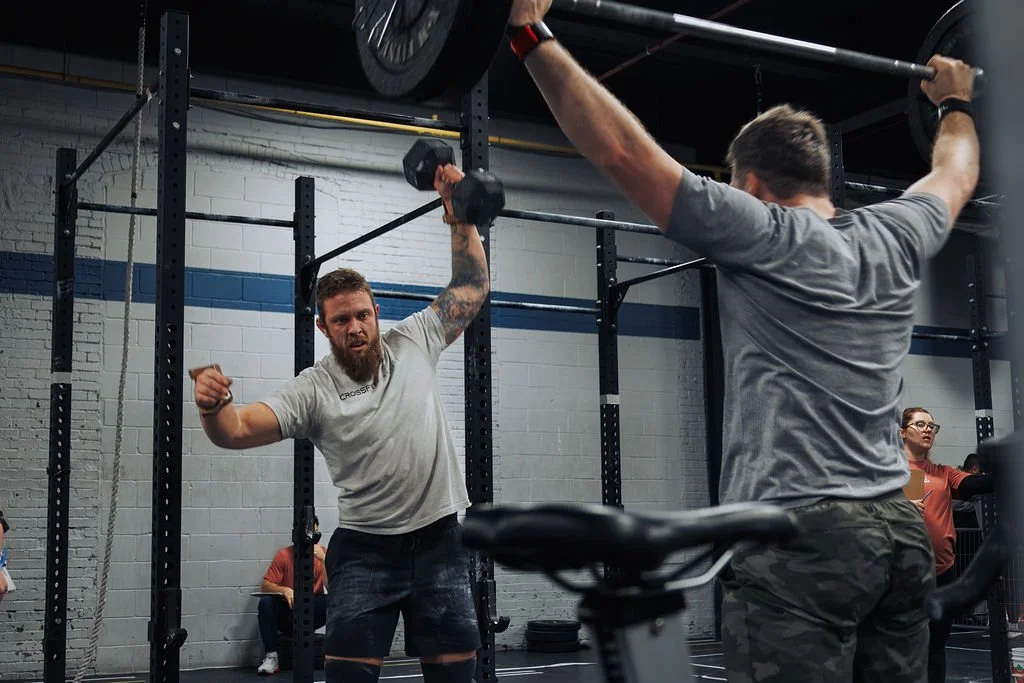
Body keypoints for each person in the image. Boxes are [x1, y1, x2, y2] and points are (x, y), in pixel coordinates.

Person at [506, 1, 980, 680]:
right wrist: (957, 100)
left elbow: (621, 152)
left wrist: (528, 33)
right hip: (898, 530)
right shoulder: (896, 233)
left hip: (801, 534)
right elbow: (957, 172)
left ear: (751, 183)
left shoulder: (761, 230)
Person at [190, 161, 489, 683]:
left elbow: (470, 287)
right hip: (365, 550)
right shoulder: (314, 388)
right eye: (341, 320)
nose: (355, 329)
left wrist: (461, 219)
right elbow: (235, 431)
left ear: (377, 311)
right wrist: (213, 406)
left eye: (362, 315)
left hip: (440, 541)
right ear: (323, 327)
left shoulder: (414, 340)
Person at [900, 407, 993, 683]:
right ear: (902, 432)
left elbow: (975, 486)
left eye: (932, 426)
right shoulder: (893, 473)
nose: (928, 429)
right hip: (904, 574)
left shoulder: (943, 474)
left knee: (936, 646)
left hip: (942, 572)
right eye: (920, 424)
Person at [256, 515, 329, 675]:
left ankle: (332, 655)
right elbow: (265, 585)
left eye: (315, 535)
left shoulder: (323, 554)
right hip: (289, 613)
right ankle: (272, 658)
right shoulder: (284, 555)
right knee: (266, 603)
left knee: (334, 602)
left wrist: (324, 561)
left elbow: (331, 586)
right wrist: (284, 590)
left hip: (312, 613)